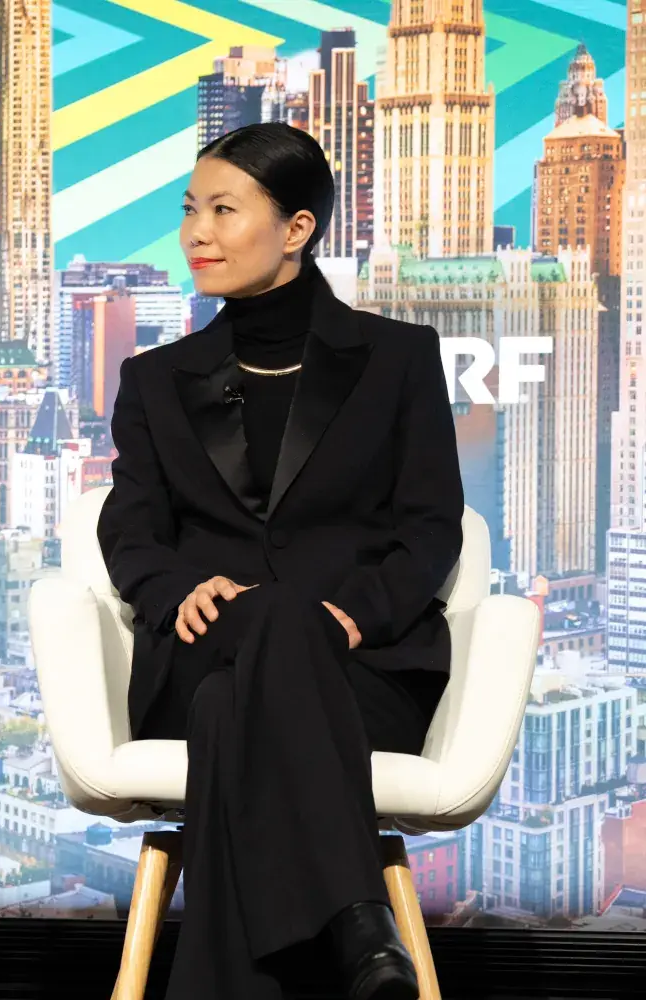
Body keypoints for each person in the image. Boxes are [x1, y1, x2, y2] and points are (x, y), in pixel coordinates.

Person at [98, 121, 463, 1000]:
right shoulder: (156, 379)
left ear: (297, 228)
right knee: (247, 649)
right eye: (190, 211)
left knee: (240, 700)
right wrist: (177, 587)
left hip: (359, 667)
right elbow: (130, 532)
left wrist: (354, 613)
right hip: (202, 648)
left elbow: (430, 529)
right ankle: (356, 924)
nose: (197, 234)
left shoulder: (397, 360)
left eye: (224, 211)